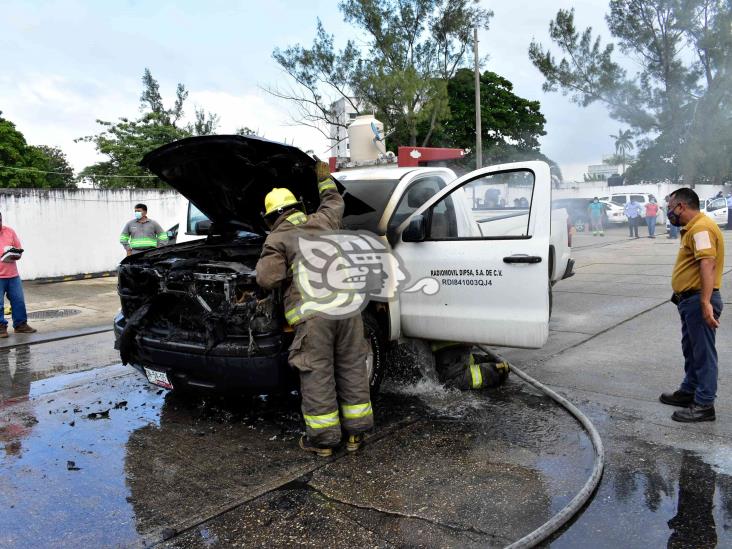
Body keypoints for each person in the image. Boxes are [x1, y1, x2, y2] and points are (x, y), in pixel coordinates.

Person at [256, 161, 373, 457]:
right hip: (349, 312)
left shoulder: (277, 238)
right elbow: (334, 201)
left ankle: (323, 441)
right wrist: (324, 180)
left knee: (317, 374)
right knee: (351, 368)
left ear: (272, 217)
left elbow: (268, 279)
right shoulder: (324, 220)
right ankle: (356, 436)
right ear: (297, 206)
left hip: (315, 319)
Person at [660, 188, 723, 422]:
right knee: (692, 350)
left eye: (670, 208)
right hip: (690, 300)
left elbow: (708, 263)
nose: (669, 213)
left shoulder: (701, 228)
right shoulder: (693, 228)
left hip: (699, 300)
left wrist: (705, 302)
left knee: (703, 354)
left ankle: (705, 404)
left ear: (681, 207)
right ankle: (689, 391)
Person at [0, 213, 36, 337]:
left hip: (12, 275)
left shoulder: (9, 231)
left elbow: (18, 248)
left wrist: (16, 254)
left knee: (18, 300)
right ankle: (1, 328)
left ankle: (20, 325)